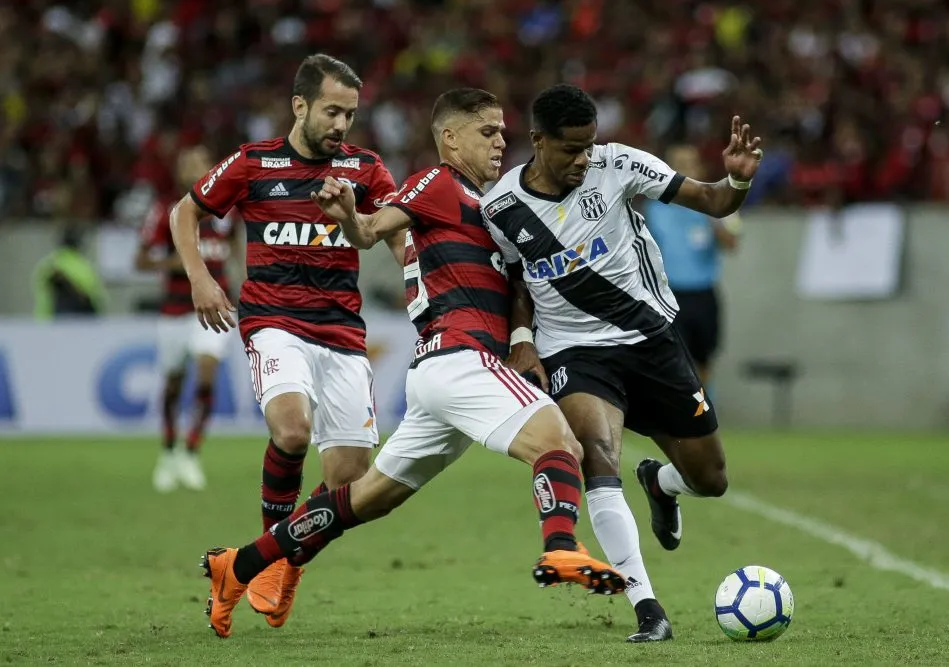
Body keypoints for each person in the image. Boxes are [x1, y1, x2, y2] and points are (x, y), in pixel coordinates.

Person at [199, 88, 625, 639]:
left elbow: (516, 283)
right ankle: (562, 547)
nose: (501, 141)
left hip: (441, 377)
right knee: (559, 442)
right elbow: (374, 230)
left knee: (359, 500)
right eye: (487, 131)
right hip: (459, 357)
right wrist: (351, 218)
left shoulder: (488, 206)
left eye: (502, 132)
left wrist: (522, 337)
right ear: (450, 138)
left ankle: (237, 566)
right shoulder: (438, 182)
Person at [480, 84, 762, 642]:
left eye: (589, 146)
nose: (584, 159)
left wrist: (738, 179)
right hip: (575, 351)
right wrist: (522, 336)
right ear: (537, 141)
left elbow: (711, 201)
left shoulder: (619, 164)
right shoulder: (500, 207)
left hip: (650, 339)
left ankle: (662, 484)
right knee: (597, 456)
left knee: (713, 479)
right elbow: (515, 280)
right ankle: (648, 609)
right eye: (571, 149)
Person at [170, 54, 404, 629]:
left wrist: (422, 278)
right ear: (299, 106)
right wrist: (202, 278)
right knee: (293, 429)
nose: (341, 125)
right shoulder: (253, 162)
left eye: (349, 114)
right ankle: (267, 556)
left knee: (349, 479)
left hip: (344, 330)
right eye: (331, 111)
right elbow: (185, 213)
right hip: (274, 321)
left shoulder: (366, 169)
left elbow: (394, 239)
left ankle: (281, 561)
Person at [137, 144, 238, 493]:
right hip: (176, 310)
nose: (192, 169)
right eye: (186, 164)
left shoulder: (228, 212)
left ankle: (191, 452)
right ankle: (167, 451)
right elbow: (141, 261)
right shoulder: (167, 210)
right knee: (173, 385)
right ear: (179, 172)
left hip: (216, 307)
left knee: (207, 374)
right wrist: (177, 263)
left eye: (199, 163)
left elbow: (239, 249)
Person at [643, 144, 741, 387]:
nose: (685, 170)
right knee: (674, 360)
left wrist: (714, 217)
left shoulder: (716, 204)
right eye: (678, 165)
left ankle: (705, 415)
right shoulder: (654, 210)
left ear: (699, 167)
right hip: (670, 295)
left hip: (703, 294)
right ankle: (681, 419)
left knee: (704, 359)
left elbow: (732, 243)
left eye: (689, 164)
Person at [32, 227, 106, 319]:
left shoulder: (48, 264)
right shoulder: (85, 267)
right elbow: (94, 297)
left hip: (48, 320)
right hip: (82, 321)